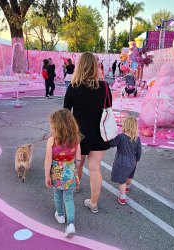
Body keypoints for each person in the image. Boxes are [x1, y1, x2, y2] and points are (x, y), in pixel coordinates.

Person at [64, 52, 112, 213]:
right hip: (99, 132)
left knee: (78, 162)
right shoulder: (104, 87)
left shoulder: (73, 87)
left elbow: (65, 112)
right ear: (94, 66)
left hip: (79, 133)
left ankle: (76, 185)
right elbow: (108, 108)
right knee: (95, 167)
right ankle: (94, 202)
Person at [44, 109, 81, 237]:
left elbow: (48, 160)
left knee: (58, 195)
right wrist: (73, 170)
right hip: (70, 172)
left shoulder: (52, 141)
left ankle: (60, 215)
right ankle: (70, 224)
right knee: (69, 198)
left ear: (56, 126)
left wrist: (47, 176)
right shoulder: (76, 139)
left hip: (57, 173)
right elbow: (78, 159)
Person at [109, 116, 142, 205]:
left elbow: (112, 144)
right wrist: (137, 159)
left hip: (121, 161)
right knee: (129, 176)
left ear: (125, 126)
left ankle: (122, 197)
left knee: (121, 180)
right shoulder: (137, 138)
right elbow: (139, 150)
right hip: (132, 160)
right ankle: (127, 187)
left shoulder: (121, 137)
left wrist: (109, 138)